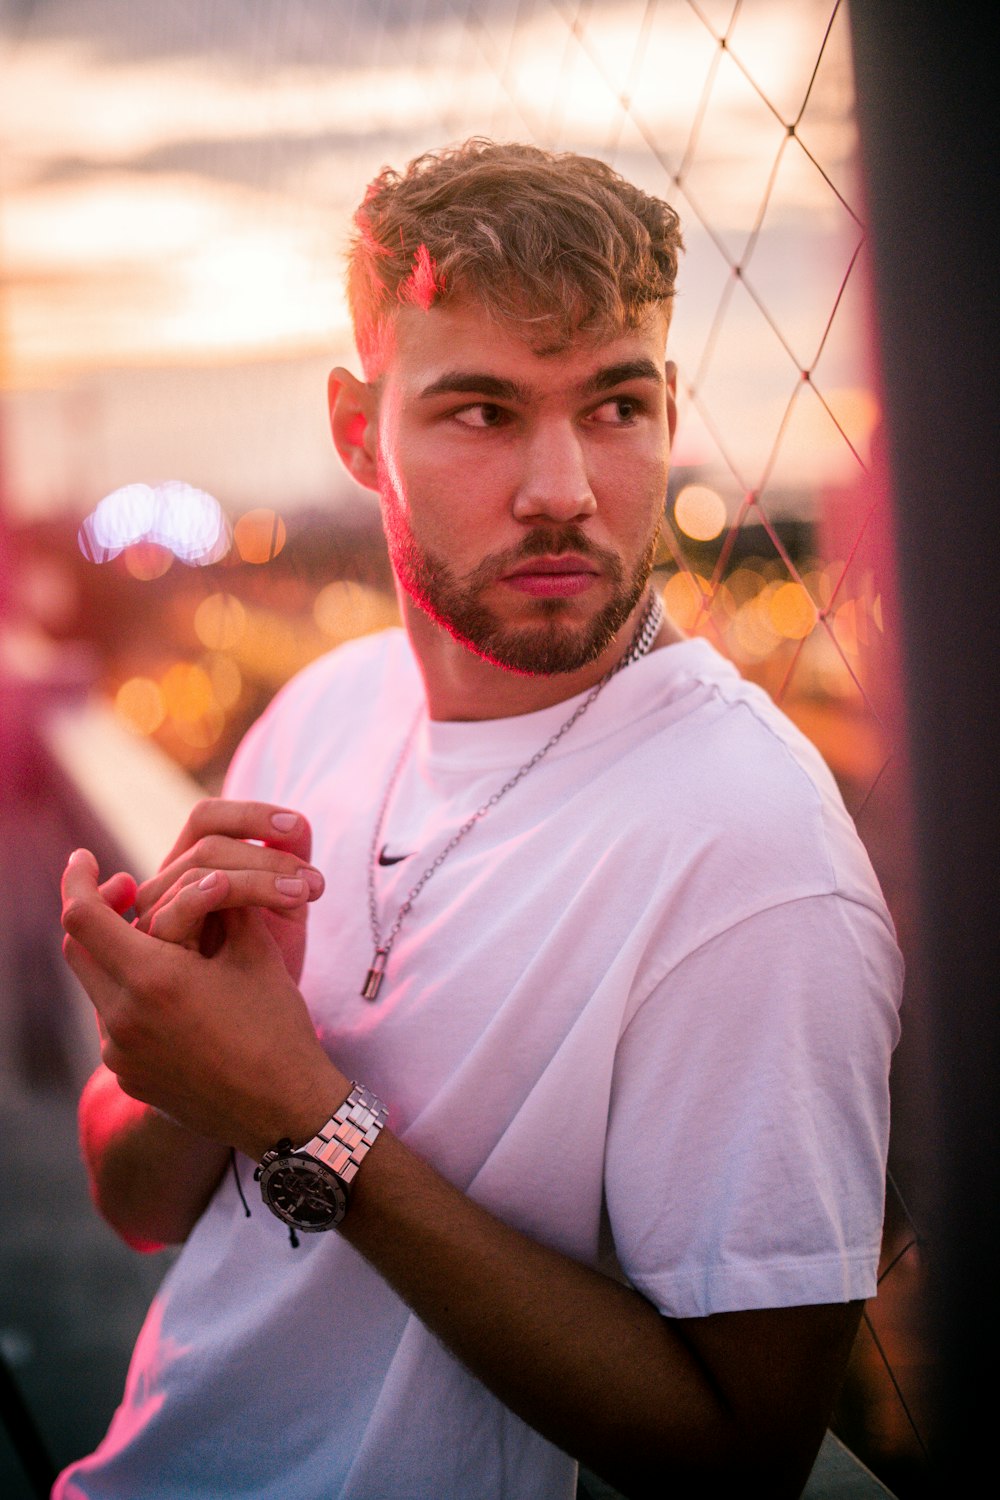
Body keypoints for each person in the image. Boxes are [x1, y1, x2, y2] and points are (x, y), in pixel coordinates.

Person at [57, 139, 902, 1500]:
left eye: (615, 405)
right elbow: (139, 1201)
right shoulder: (325, 712)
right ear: (356, 428)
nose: (563, 486)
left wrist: (305, 1114)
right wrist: (181, 1054)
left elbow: (741, 1458)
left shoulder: (751, 856)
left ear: (673, 409)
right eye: (484, 413)